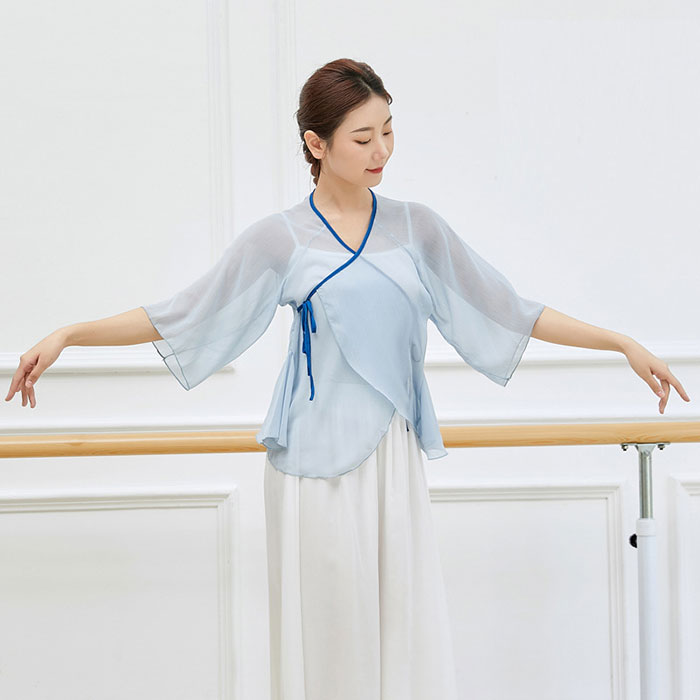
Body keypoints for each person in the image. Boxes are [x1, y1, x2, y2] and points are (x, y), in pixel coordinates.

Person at [5, 58, 690, 699]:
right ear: (316, 143)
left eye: (388, 130)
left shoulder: (417, 229)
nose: (381, 150)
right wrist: (70, 333)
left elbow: (508, 309)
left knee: (404, 632)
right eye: (362, 137)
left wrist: (620, 343)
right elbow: (184, 312)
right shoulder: (281, 239)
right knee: (332, 641)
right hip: (314, 466)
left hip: (392, 457)